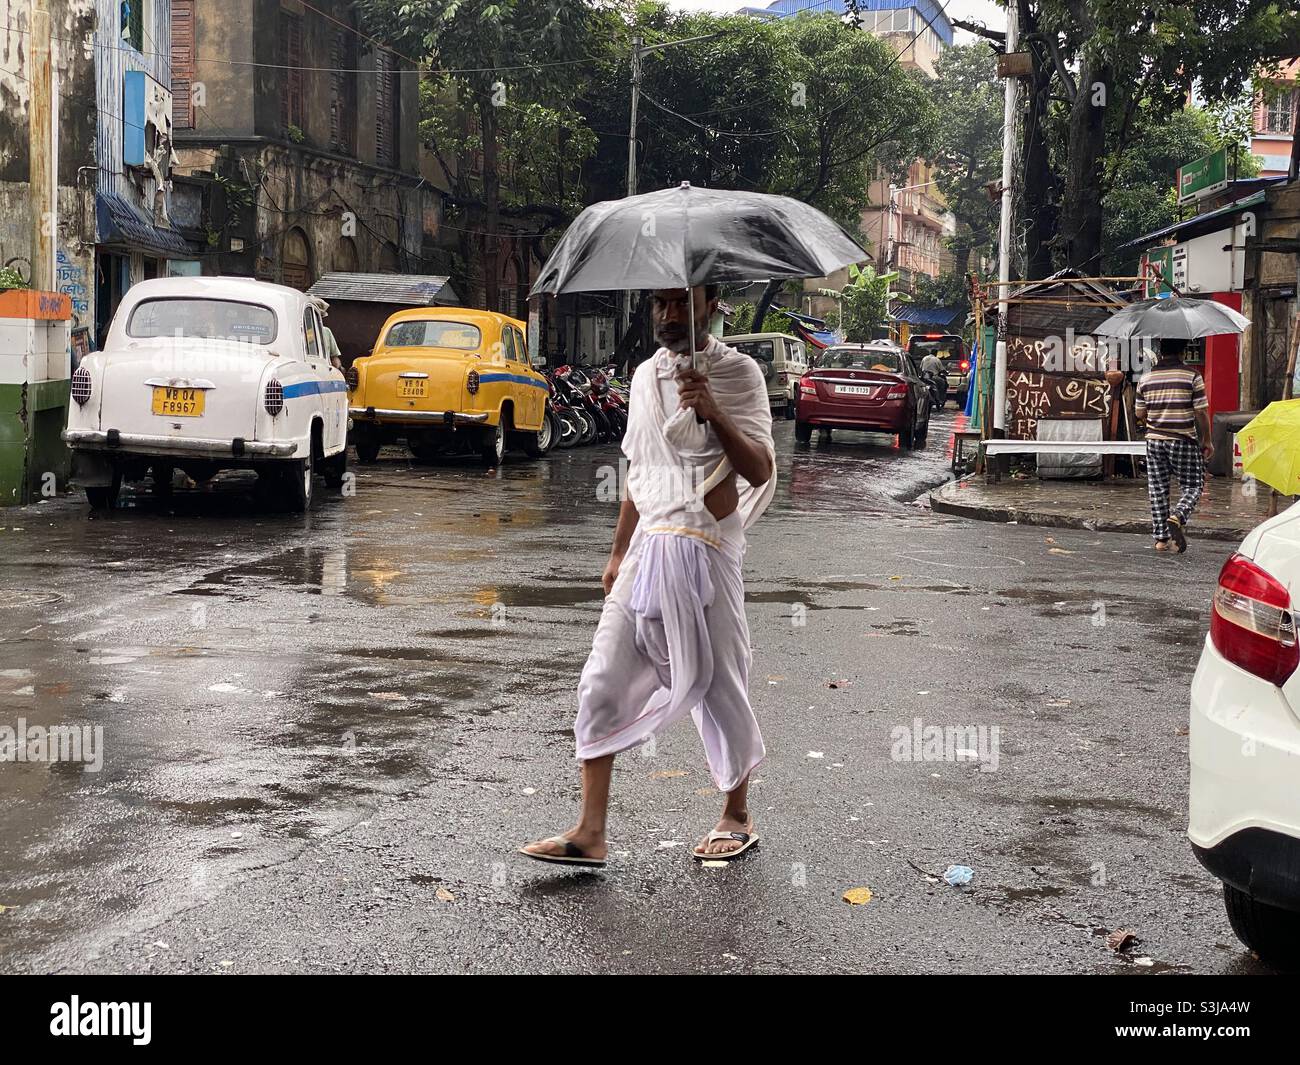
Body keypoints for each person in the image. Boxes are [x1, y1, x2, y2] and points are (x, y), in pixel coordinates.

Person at [522, 284, 776, 866]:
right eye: (659, 303)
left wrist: (712, 411)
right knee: (603, 677)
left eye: (681, 302)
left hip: (708, 546)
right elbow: (639, 470)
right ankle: (590, 833)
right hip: (649, 547)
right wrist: (617, 554)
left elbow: (760, 467)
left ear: (712, 304)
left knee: (721, 685)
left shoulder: (739, 374)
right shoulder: (643, 378)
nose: (667, 314)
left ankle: (736, 814)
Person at [1135, 337, 1212, 553]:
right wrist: (1207, 439)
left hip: (1154, 441)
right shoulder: (1192, 376)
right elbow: (1201, 411)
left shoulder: (1146, 379)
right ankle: (1178, 515)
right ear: (1183, 352)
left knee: (1158, 489)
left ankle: (1161, 540)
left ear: (1160, 352)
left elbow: (1139, 413)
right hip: (1183, 440)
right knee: (1193, 485)